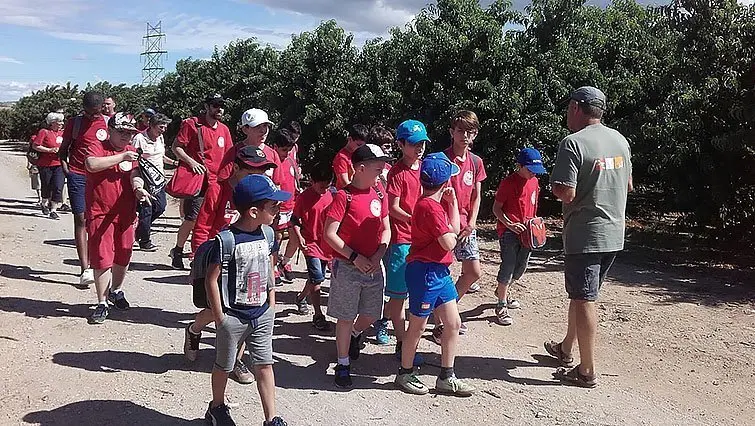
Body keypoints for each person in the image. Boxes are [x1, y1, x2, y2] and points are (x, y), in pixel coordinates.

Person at [545, 86, 633, 388]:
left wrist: (555, 186)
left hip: (585, 234)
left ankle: (587, 370)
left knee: (584, 299)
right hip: (614, 234)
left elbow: (566, 192)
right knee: (583, 295)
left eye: (569, 107)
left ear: (576, 108)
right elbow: (629, 184)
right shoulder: (620, 141)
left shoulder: (573, 143)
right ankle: (566, 348)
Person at [184, 145, 278, 386]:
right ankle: (195, 330)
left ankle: (235, 359)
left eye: (263, 170)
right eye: (251, 171)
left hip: (247, 261)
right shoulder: (218, 189)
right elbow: (203, 225)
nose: (259, 176)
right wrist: (199, 258)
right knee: (216, 310)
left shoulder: (259, 196)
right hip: (220, 259)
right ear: (236, 168)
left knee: (244, 310)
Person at [203, 174, 289, 426]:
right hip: (234, 316)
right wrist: (220, 318)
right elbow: (211, 279)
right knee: (225, 365)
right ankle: (217, 407)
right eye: (273, 206)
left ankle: (271, 418)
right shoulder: (227, 240)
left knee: (264, 364)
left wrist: (272, 304)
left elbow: (269, 269)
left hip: (262, 312)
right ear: (253, 211)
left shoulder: (269, 235)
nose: (278, 209)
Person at [394, 152, 475, 397]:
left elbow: (454, 232)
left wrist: (452, 205)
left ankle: (446, 376)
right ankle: (405, 372)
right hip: (426, 272)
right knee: (418, 326)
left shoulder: (433, 205)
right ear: (445, 182)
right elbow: (450, 242)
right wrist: (452, 222)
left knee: (453, 323)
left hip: (439, 271)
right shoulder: (429, 207)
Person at [323, 144, 391, 389]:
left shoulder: (380, 193)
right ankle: (343, 364)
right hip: (348, 266)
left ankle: (354, 334)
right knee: (345, 316)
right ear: (360, 169)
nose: (382, 173)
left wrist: (379, 253)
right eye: (378, 168)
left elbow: (386, 228)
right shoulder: (344, 196)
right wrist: (354, 257)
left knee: (373, 313)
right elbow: (330, 233)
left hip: (373, 264)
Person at [84, 113, 146, 324]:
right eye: (121, 132)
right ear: (110, 130)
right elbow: (91, 164)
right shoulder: (97, 145)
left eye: (129, 133)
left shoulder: (131, 151)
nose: (126, 137)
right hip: (100, 212)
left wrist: (139, 189)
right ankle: (102, 302)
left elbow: (135, 174)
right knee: (102, 258)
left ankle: (116, 290)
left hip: (126, 213)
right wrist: (121, 157)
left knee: (124, 254)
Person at [434, 110, 487, 342]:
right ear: (451, 132)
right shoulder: (440, 159)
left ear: (475, 134)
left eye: (470, 131)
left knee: (473, 272)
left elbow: (477, 195)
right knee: (440, 272)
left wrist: (473, 222)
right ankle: (440, 324)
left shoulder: (476, 162)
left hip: (466, 225)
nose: (465, 135)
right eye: (460, 130)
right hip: (444, 225)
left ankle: (447, 309)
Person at [378, 120, 428, 362]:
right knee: (398, 296)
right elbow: (392, 207)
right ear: (401, 144)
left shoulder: (426, 167)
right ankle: (402, 342)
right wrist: (416, 219)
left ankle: (409, 341)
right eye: (414, 144)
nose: (419, 148)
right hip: (402, 240)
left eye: (422, 143)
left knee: (419, 293)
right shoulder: (397, 172)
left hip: (422, 239)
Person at [170, 94, 233, 269]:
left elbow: (229, 156)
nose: (219, 109)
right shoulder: (192, 124)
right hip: (199, 182)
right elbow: (176, 147)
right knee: (193, 219)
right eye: (215, 105)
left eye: (221, 105)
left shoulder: (224, 130)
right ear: (206, 106)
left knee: (214, 221)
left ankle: (204, 255)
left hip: (218, 182)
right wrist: (192, 162)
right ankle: (180, 250)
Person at [491, 148, 547, 326]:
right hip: (509, 232)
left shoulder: (535, 182)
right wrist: (510, 225)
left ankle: (503, 290)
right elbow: (496, 209)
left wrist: (536, 226)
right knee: (507, 266)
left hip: (527, 233)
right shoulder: (508, 183)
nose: (532, 173)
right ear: (519, 165)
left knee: (521, 267)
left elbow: (533, 206)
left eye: (535, 170)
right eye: (529, 169)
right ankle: (501, 305)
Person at [58, 91, 108, 288]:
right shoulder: (75, 123)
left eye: (97, 112)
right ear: (84, 108)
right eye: (90, 112)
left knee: (97, 218)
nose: (93, 116)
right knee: (81, 219)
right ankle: (85, 268)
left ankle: (101, 262)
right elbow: (64, 151)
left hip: (101, 177)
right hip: (78, 175)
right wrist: (67, 171)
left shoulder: (107, 122)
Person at [290, 164, 334, 330]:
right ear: (311, 181)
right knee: (317, 278)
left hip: (327, 244)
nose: (324, 191)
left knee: (317, 276)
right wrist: (299, 236)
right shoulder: (304, 198)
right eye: (321, 187)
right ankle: (318, 314)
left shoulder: (333, 196)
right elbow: (294, 219)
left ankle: (301, 297)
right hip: (311, 243)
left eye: (327, 187)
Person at [131, 112, 176, 251]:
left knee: (160, 207)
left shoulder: (160, 138)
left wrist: (174, 162)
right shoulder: (140, 138)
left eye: (165, 127)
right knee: (147, 209)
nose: (163, 130)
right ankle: (145, 241)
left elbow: (161, 156)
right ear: (151, 125)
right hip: (145, 179)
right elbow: (133, 158)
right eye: (161, 127)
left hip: (159, 179)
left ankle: (138, 230)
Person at [271, 129, 299, 284]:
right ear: (275, 146)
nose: (287, 153)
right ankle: (273, 266)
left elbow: (295, 179)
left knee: (295, 236)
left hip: (292, 205)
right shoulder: (271, 162)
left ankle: (285, 261)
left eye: (289, 150)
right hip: (278, 207)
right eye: (283, 150)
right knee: (278, 237)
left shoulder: (290, 160)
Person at [32, 112, 66, 220]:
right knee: (46, 185)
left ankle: (53, 210)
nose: (61, 123)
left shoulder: (63, 133)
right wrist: (49, 150)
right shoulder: (44, 132)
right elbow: (36, 145)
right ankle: (44, 203)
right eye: (59, 121)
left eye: (61, 121)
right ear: (52, 123)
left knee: (58, 186)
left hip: (59, 164)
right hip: (45, 164)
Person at [332, 124, 368, 189]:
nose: (361, 148)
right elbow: (345, 183)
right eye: (358, 145)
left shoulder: (359, 154)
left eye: (363, 146)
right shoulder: (342, 157)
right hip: (348, 194)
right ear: (350, 139)